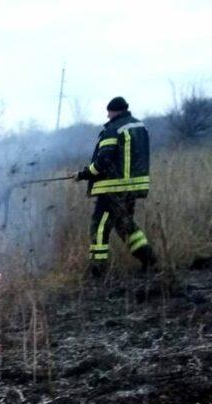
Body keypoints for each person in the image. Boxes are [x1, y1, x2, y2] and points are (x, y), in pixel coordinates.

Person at [76, 97, 156, 277]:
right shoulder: (140, 127)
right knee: (124, 225)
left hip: (113, 188)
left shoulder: (113, 129)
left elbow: (102, 162)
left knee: (99, 226)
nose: (107, 115)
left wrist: (83, 174)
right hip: (133, 186)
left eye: (109, 111)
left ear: (115, 111)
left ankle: (97, 269)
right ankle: (149, 259)